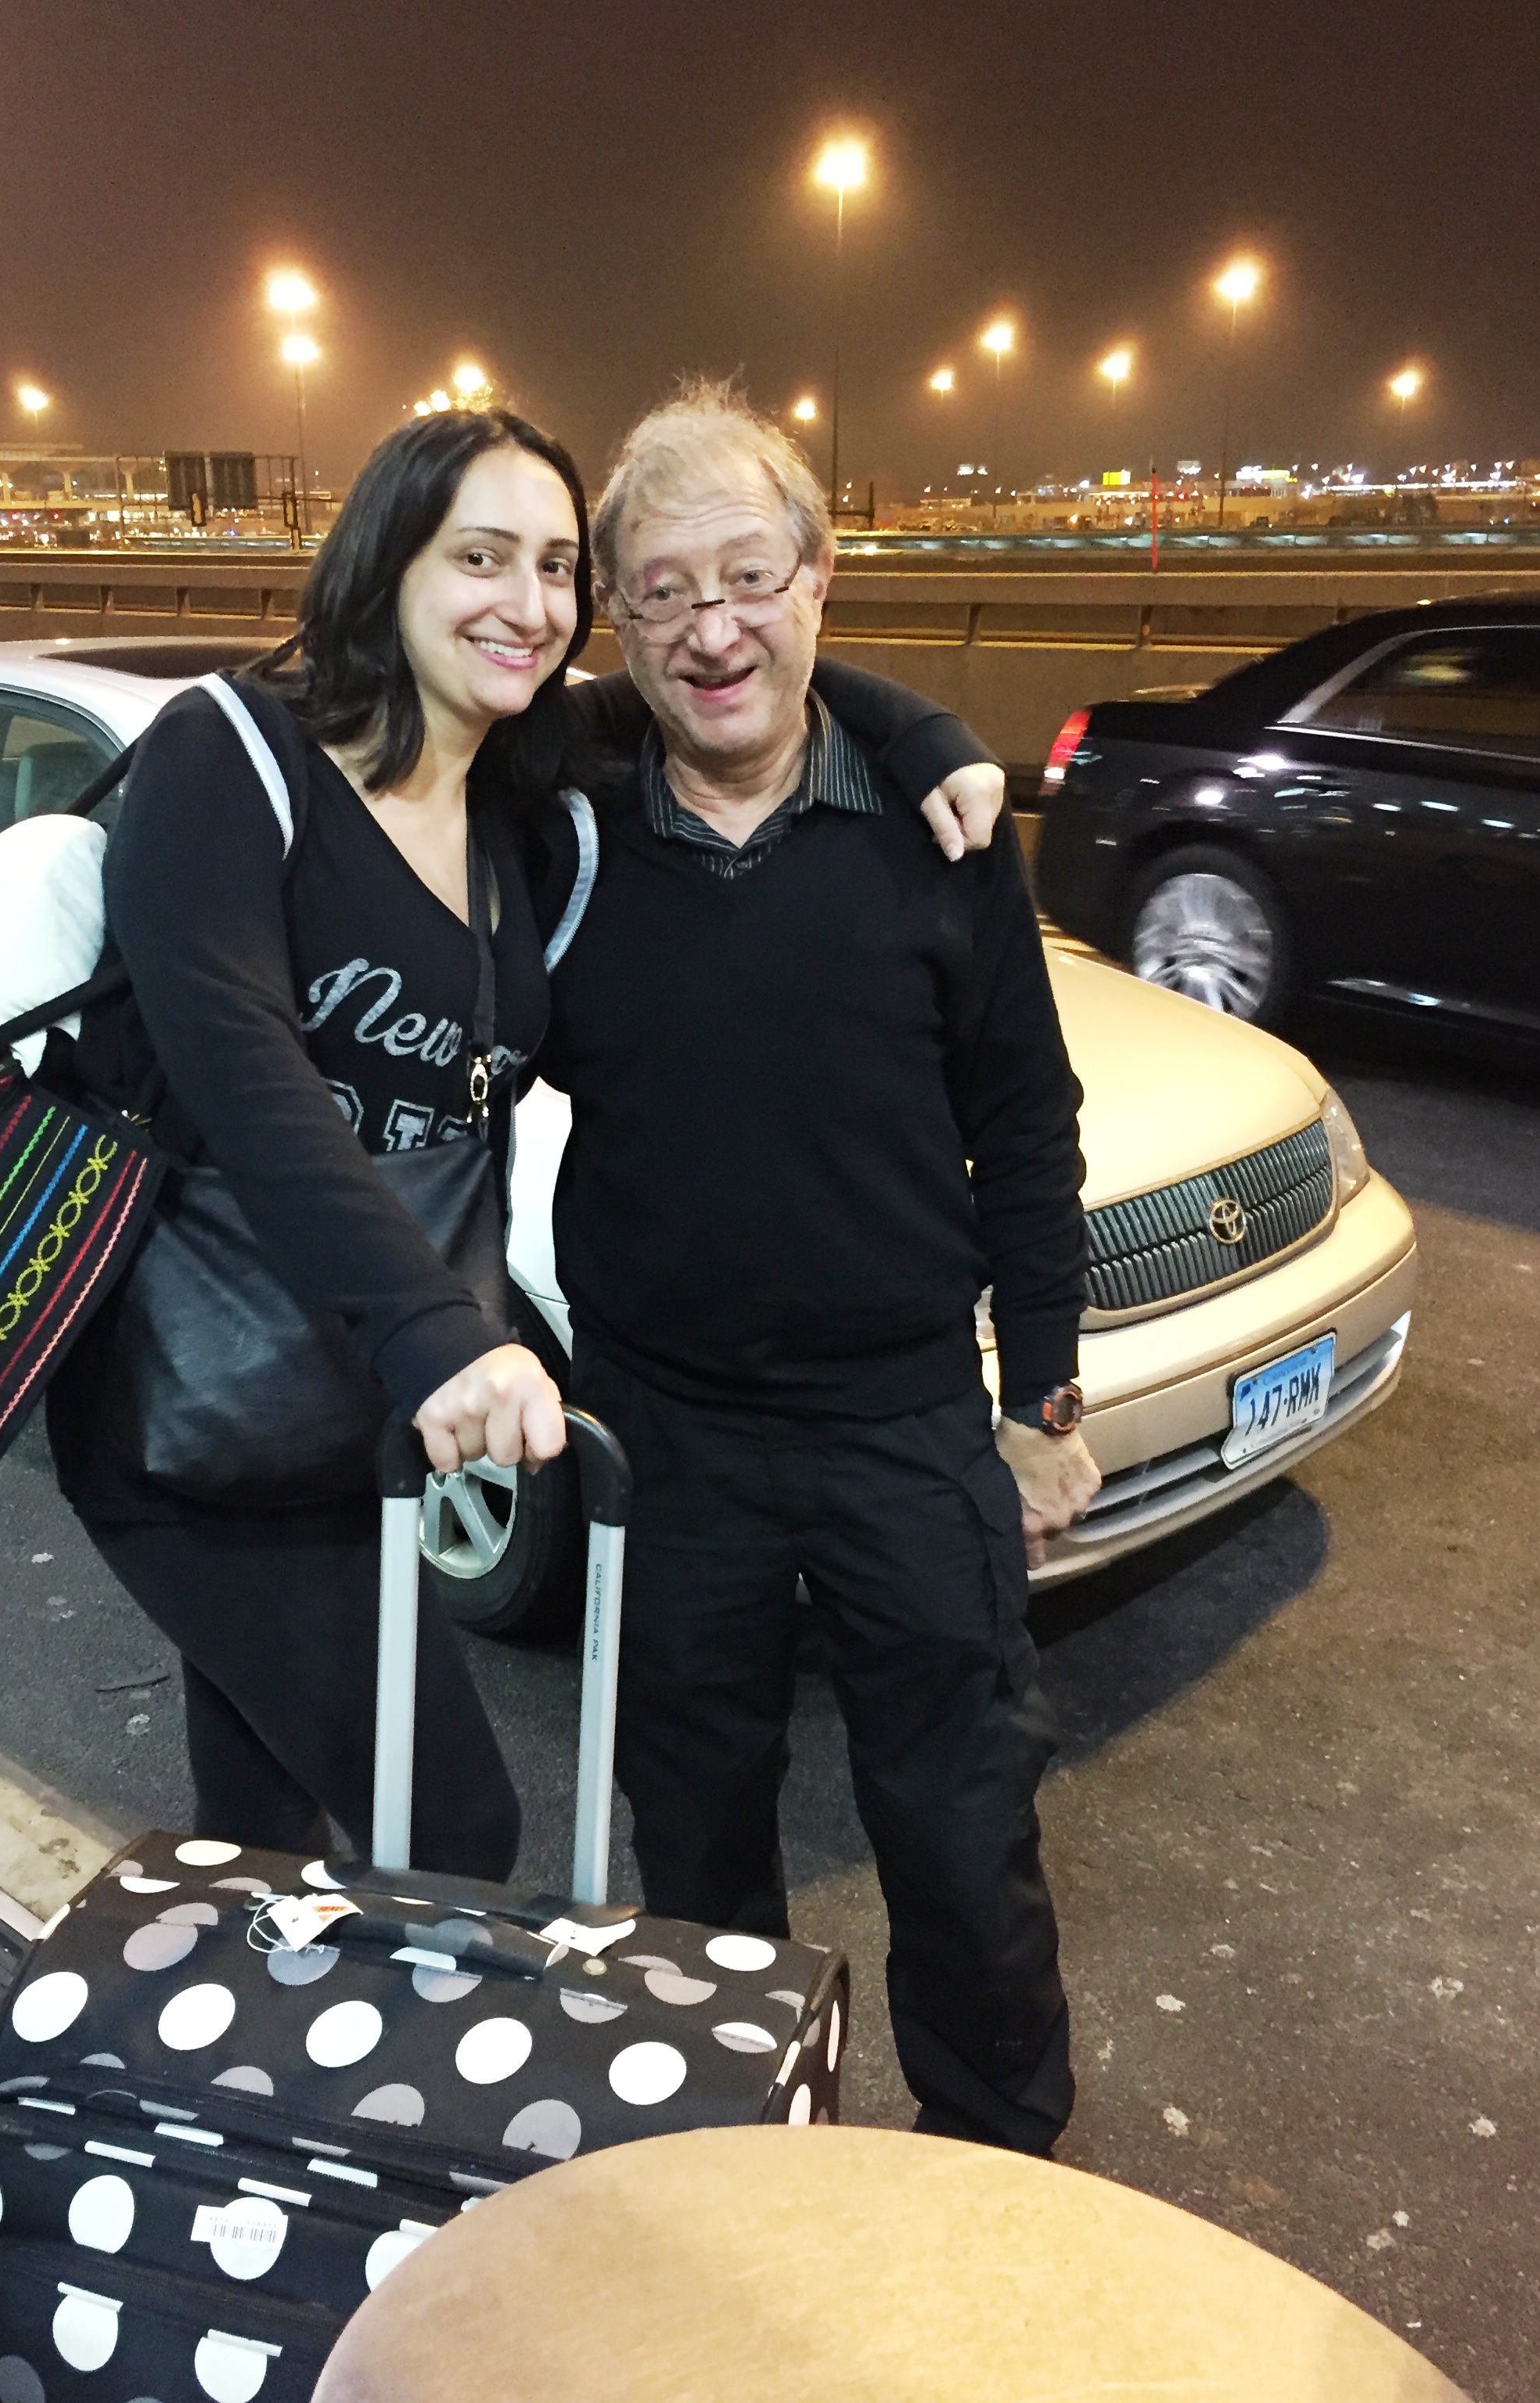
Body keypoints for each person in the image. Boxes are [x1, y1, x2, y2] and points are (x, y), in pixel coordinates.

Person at [531, 382, 1101, 2154]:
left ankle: (994, 2174)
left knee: (961, 1827)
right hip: (665, 1430)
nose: (713, 632)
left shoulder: (939, 839)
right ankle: (735, 2167)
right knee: (694, 1836)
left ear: (819, 579)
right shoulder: (565, 825)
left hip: (904, 1425)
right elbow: (416, 705)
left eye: (749, 579)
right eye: (661, 593)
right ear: (614, 622)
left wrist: (1043, 1401)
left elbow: (1026, 1126)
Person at [47, 408, 586, 1876]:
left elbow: (738, 665)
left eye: (557, 566)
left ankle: (242, 2022)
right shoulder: (231, 758)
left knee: (260, 1816)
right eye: (481, 557)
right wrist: (434, 1330)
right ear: (386, 564)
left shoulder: (516, 803)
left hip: (341, 1416)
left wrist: (920, 735)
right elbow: (244, 1073)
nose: (528, 604)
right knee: (454, 1824)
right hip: (189, 1404)